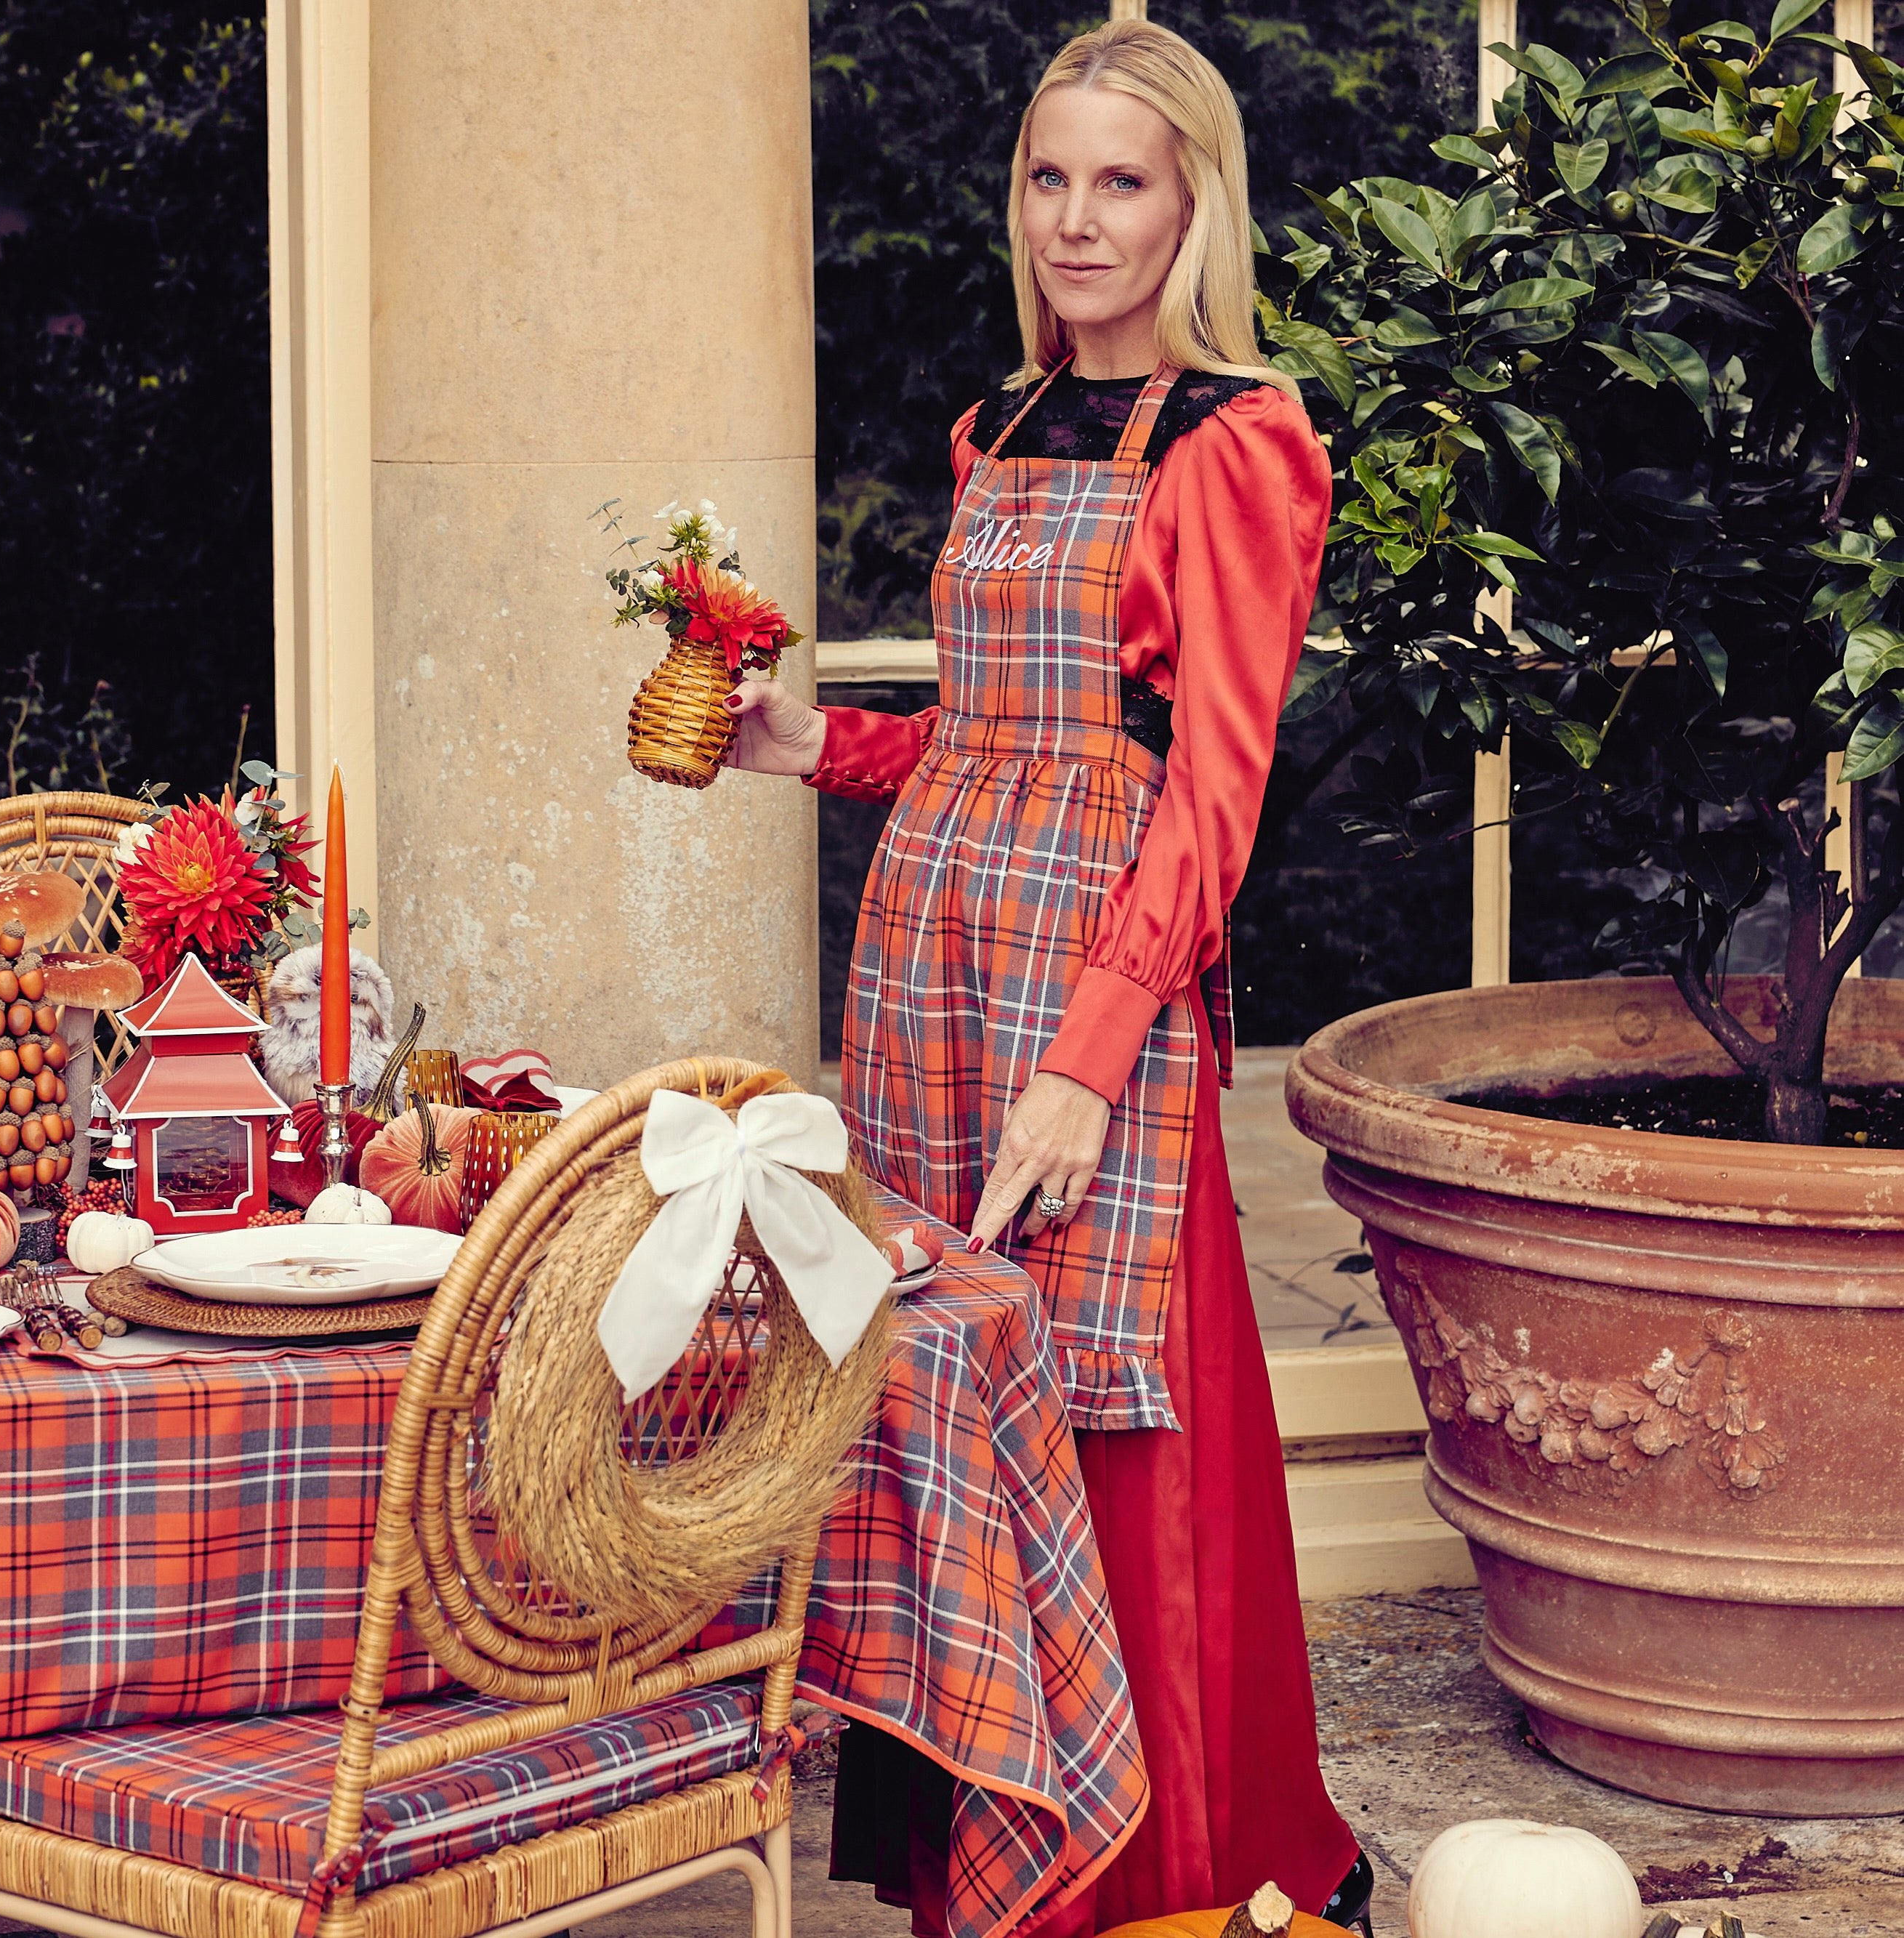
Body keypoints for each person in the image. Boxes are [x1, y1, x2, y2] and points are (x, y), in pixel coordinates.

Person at [725, 20, 1371, 1936]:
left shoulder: (1238, 440)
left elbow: (1207, 780)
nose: (1077, 218)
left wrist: (1093, 1054)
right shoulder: (997, 425)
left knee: (1115, 1410)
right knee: (947, 1405)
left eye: (1122, 181)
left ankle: (1160, 1874)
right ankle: (974, 1861)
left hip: (1091, 971)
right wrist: (799, 749)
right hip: (927, 962)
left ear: (1189, 208)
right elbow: (993, 730)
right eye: (1048, 176)